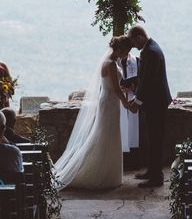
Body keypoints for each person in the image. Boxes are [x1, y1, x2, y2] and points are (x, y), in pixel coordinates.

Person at [54, 36, 132, 190]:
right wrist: (126, 103)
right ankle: (101, 173)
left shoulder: (111, 61)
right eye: (127, 51)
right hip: (110, 103)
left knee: (109, 135)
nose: (127, 54)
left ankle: (110, 173)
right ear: (120, 49)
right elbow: (115, 89)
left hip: (110, 101)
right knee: (106, 135)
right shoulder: (110, 63)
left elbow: (111, 85)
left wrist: (123, 92)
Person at [128, 25, 172, 188]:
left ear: (139, 37)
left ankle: (156, 177)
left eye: (133, 42)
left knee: (155, 140)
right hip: (155, 102)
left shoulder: (150, 52)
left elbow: (148, 81)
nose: (133, 46)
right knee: (153, 139)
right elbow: (143, 77)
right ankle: (152, 171)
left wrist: (137, 101)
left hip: (156, 103)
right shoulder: (152, 48)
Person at [119, 52, 139, 152]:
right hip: (118, 100)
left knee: (132, 129)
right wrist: (119, 88)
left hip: (131, 97)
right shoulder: (113, 63)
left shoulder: (136, 61)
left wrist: (132, 87)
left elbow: (141, 81)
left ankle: (133, 158)